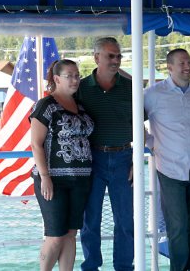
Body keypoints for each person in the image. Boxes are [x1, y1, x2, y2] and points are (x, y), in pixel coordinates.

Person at [144, 48, 190, 271]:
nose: (187, 67)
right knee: (177, 227)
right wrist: (149, 142)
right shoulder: (152, 94)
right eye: (182, 63)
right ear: (170, 67)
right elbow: (132, 120)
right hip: (170, 169)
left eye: (189, 62)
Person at [30, 59, 94, 271]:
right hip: (53, 180)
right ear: (57, 79)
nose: (75, 79)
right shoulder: (46, 105)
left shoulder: (81, 106)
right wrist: (45, 176)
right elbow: (36, 143)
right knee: (55, 235)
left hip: (81, 180)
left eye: (77, 75)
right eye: (70, 76)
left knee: (70, 234)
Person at [76, 37, 134, 271]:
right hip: (92, 159)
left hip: (124, 158)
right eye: (110, 55)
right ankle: (91, 267)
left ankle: (123, 267)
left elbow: (140, 126)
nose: (116, 60)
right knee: (90, 220)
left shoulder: (131, 88)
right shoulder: (79, 88)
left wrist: (136, 160)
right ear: (96, 57)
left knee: (125, 220)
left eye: (118, 56)